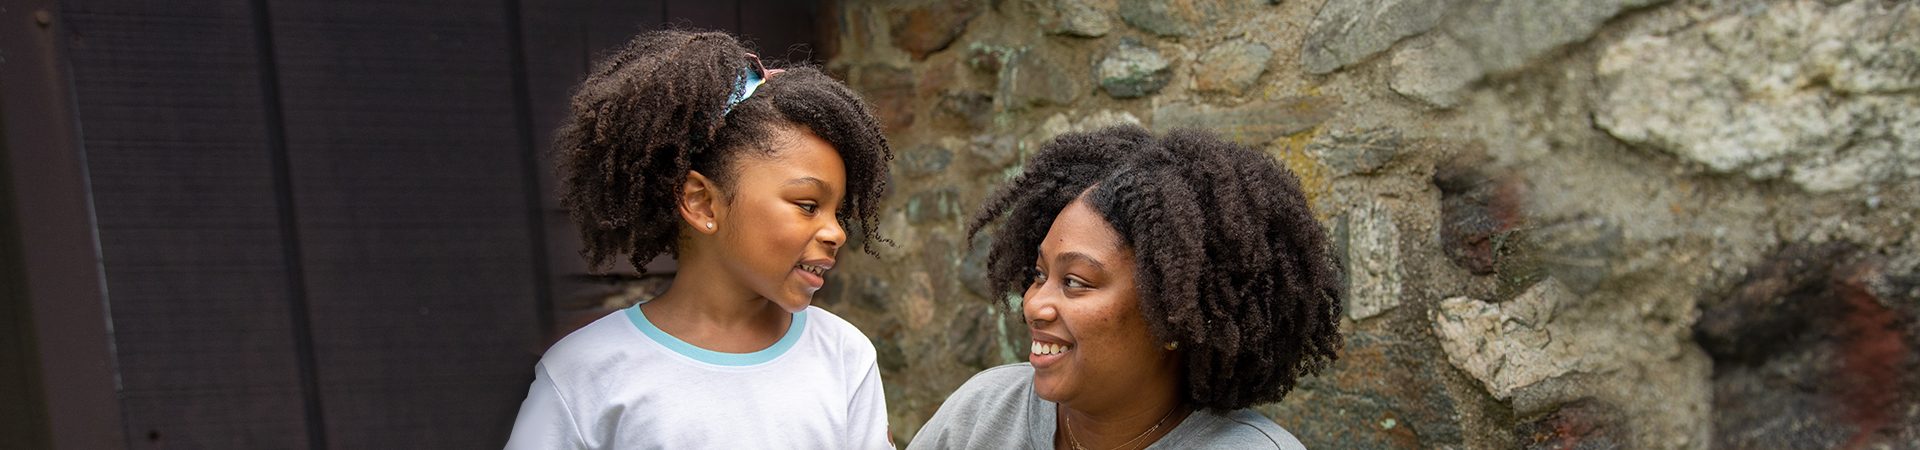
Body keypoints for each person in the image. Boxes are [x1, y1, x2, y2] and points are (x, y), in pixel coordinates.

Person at [506, 28, 895, 449]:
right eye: (806, 205)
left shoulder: (843, 357)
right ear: (703, 204)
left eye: (838, 212)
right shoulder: (583, 374)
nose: (836, 232)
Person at [908, 125, 1344, 449]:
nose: (1035, 304)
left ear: (1174, 318)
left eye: (1075, 283)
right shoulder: (984, 413)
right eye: (1040, 275)